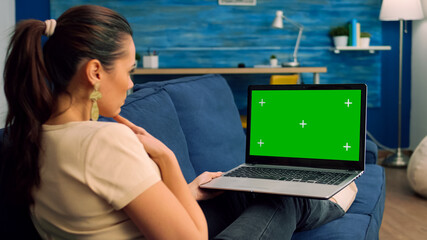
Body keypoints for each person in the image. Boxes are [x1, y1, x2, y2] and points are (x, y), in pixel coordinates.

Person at [1, 4, 356, 240]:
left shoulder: (36, 136)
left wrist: (185, 191)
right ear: (95, 71)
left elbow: (104, 218)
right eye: (129, 70)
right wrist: (168, 160)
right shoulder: (104, 141)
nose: (131, 84)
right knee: (283, 201)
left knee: (243, 192)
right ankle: (336, 202)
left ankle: (314, 197)